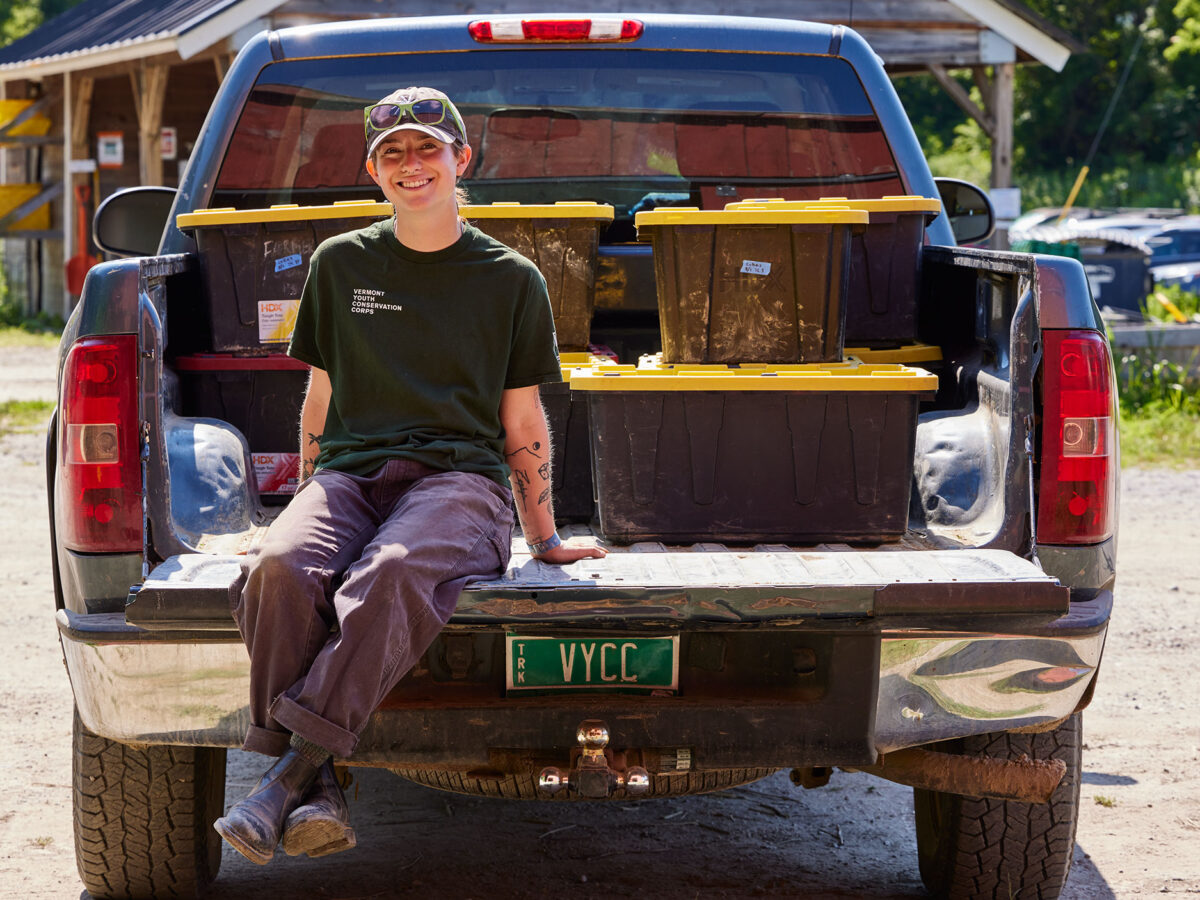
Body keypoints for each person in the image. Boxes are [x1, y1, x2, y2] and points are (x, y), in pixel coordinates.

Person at [214, 86, 607, 865]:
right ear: (373, 170)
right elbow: (320, 400)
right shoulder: (339, 263)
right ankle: (315, 784)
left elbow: (522, 421)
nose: (412, 164)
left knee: (390, 573)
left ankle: (288, 773)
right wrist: (300, 511)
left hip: (460, 483)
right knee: (282, 569)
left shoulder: (512, 278)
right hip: (352, 475)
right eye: (393, 152)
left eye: (429, 148)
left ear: (461, 159)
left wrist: (545, 534)